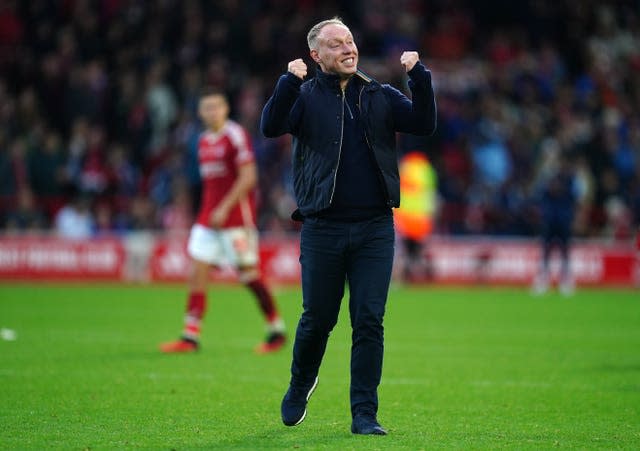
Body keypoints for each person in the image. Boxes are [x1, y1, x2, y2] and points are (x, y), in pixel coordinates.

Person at [260, 17, 436, 435]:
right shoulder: (303, 95)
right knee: (317, 319)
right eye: (336, 44)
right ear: (316, 56)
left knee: (369, 320)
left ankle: (364, 414)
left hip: (375, 228)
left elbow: (424, 124)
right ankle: (301, 382)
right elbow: (270, 126)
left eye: (350, 41)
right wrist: (287, 81)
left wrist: (420, 78)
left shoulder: (378, 95)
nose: (347, 48)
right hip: (323, 227)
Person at [160, 89, 286, 354]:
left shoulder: (235, 136)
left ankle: (276, 329)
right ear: (200, 112)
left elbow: (248, 177)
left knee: (249, 276)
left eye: (217, 107)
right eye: (207, 108)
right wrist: (205, 212)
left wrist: (224, 208)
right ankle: (190, 336)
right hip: (207, 220)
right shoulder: (203, 140)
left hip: (235, 220)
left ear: (226, 109)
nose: (212, 112)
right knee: (197, 272)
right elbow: (209, 185)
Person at [531, 151, 578, 296]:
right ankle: (543, 280)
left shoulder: (569, 178)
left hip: (563, 219)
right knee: (546, 250)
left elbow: (574, 196)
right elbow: (537, 196)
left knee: (565, 251)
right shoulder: (543, 178)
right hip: (549, 219)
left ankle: (566, 280)